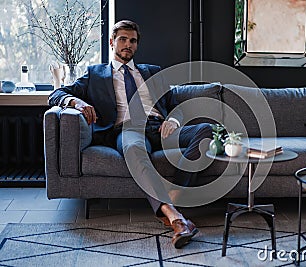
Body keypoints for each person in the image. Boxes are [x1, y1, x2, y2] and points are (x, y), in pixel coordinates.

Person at [48, 20, 212, 248]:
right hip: (128, 129)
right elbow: (57, 94)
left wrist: (174, 120)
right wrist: (76, 102)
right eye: (123, 39)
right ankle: (176, 218)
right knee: (133, 147)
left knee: (206, 131)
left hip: (160, 128)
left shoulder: (152, 72)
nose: (128, 44)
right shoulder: (95, 74)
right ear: (112, 42)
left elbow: (176, 105)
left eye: (132, 40)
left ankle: (176, 194)